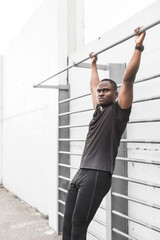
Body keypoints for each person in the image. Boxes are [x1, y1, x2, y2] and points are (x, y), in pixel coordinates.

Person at [62, 27, 146, 240]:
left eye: (105, 91)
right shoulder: (98, 112)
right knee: (68, 224)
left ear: (115, 94)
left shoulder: (119, 112)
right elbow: (92, 86)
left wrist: (138, 45)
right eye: (100, 91)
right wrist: (93, 64)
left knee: (79, 225)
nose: (100, 93)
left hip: (97, 175)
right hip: (81, 172)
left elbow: (128, 79)